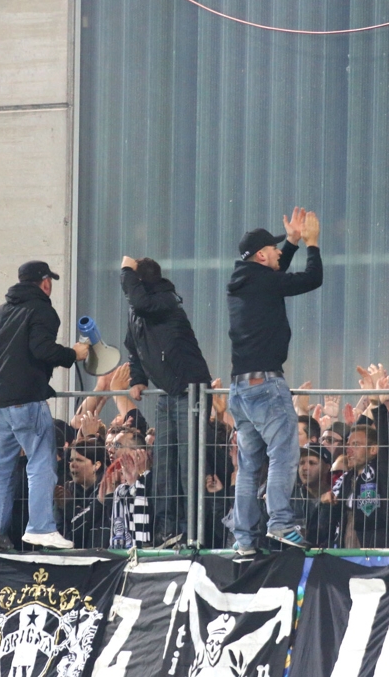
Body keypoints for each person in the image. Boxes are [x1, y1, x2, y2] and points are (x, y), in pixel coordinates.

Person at [227, 207, 322, 554]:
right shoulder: (263, 280)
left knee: (250, 466)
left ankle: (243, 540)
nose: (281, 253)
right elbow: (311, 279)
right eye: (277, 248)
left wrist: (293, 241)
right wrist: (311, 244)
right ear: (262, 255)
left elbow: (276, 276)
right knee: (284, 453)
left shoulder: (246, 281)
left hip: (240, 388)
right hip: (266, 384)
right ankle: (281, 523)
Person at [0, 260, 88, 550]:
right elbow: (42, 349)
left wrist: (0, 381)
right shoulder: (42, 310)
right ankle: (40, 527)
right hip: (26, 400)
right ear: (45, 282)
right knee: (41, 462)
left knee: (1, 466)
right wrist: (73, 354)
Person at [120, 255, 211, 545]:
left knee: (188, 465)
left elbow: (143, 303)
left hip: (189, 392)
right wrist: (137, 379)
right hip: (167, 395)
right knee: (164, 467)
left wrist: (125, 271)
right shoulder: (138, 313)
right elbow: (135, 350)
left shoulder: (165, 301)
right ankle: (167, 531)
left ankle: (192, 532)